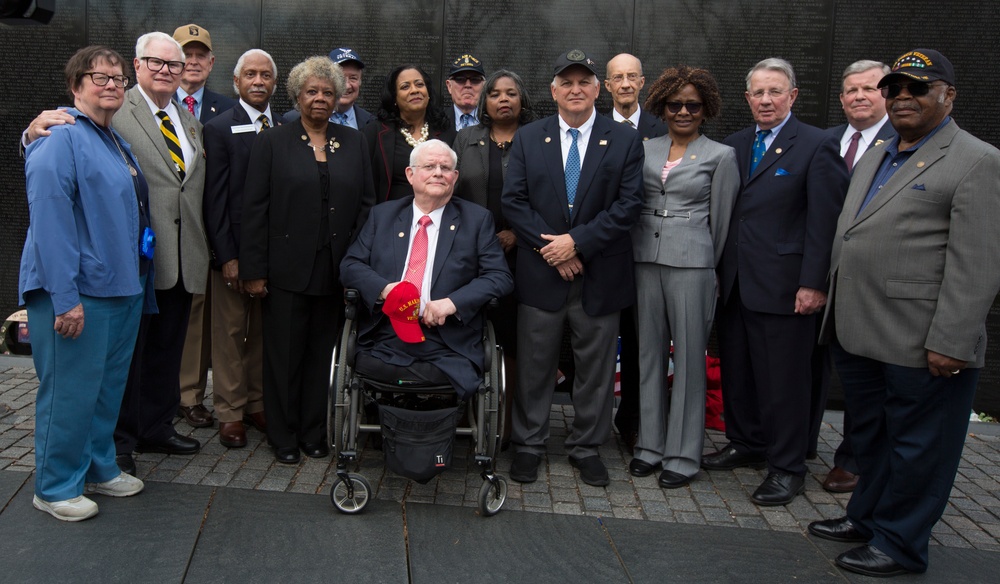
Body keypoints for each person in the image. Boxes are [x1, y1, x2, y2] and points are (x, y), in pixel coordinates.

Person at [808, 49, 1000, 578]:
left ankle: (901, 543)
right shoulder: (880, 152)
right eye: (895, 88)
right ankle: (868, 518)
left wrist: (953, 341)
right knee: (878, 437)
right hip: (862, 329)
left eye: (918, 88)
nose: (903, 97)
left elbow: (977, 263)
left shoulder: (977, 160)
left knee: (920, 448)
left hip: (922, 339)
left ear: (948, 95)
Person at [702, 58, 848, 506]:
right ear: (747, 99)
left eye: (775, 91)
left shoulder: (816, 144)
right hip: (737, 285)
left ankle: (787, 467)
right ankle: (747, 443)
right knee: (740, 373)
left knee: (784, 382)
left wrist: (814, 282)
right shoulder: (734, 144)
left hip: (788, 288)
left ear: (793, 96)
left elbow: (825, 221)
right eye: (758, 93)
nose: (766, 100)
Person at [20, 45, 155, 521]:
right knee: (70, 393)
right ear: (76, 86)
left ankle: (98, 466)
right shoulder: (60, 136)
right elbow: (51, 223)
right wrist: (65, 299)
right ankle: (55, 486)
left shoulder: (114, 139)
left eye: (119, 78)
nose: (113, 85)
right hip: (77, 294)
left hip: (122, 288)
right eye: (100, 77)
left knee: (104, 390)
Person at [502, 49, 643, 487]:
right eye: (567, 82)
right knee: (534, 365)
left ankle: (586, 447)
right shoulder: (529, 137)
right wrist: (554, 250)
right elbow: (514, 201)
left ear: (597, 89)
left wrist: (576, 244)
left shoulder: (623, 139)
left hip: (600, 274)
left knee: (596, 369)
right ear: (554, 91)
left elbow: (629, 206)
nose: (575, 89)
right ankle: (529, 444)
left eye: (584, 82)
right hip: (542, 274)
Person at [240, 56, 375, 464]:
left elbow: (368, 206)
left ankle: (314, 431)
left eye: (328, 92)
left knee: (322, 357)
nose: (320, 98)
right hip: (284, 271)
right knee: (283, 356)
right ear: (297, 96)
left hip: (335, 271)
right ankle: (283, 436)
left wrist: (357, 263)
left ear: (339, 99)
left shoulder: (354, 143)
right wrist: (254, 271)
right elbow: (254, 209)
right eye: (312, 91)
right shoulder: (273, 140)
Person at [628, 66, 738, 489]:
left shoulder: (719, 155)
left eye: (693, 104)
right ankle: (650, 447)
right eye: (675, 104)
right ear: (662, 106)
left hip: (692, 263)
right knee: (649, 354)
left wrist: (706, 264)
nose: (684, 111)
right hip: (645, 260)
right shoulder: (646, 148)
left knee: (690, 359)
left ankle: (682, 454)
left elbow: (723, 223)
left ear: (705, 108)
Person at [340, 139, 513, 395]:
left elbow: (500, 277)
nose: (438, 173)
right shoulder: (383, 215)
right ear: (410, 174)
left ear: (455, 177)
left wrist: (452, 303)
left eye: (445, 168)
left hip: (449, 338)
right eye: (429, 166)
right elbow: (350, 265)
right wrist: (387, 290)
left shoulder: (477, 220)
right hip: (386, 334)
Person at [812, 59, 896, 494]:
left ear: (887, 94)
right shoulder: (823, 141)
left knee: (866, 378)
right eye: (850, 90)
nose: (859, 96)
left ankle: (855, 458)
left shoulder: (902, 144)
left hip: (873, 281)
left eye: (869, 88)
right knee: (816, 367)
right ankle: (806, 443)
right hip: (816, 273)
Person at [452, 69, 537, 442]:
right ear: (484, 103)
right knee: (467, 337)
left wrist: (519, 235)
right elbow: (450, 194)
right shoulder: (465, 138)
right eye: (495, 94)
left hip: (526, 259)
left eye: (511, 93)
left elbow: (551, 198)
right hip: (471, 258)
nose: (503, 99)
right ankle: (463, 420)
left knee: (514, 342)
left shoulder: (539, 139)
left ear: (523, 100)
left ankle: (506, 429)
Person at [201, 49, 277, 448]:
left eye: (266, 75)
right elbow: (213, 199)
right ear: (236, 82)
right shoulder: (217, 128)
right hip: (232, 252)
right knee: (230, 333)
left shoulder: (285, 126)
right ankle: (230, 412)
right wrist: (226, 255)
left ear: (275, 84)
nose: (258, 81)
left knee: (262, 334)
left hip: (272, 254)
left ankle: (255, 402)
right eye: (250, 74)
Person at [172, 23, 236, 430]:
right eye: (185, 55)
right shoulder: (156, 104)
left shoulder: (226, 109)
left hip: (213, 230)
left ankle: (198, 396)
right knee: (180, 319)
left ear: (212, 63)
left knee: (208, 320)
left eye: (200, 55)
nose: (192, 62)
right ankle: (176, 395)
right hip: (169, 230)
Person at [603, 52, 666, 454]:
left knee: (641, 341)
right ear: (606, 86)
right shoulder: (589, 126)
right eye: (617, 78)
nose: (625, 84)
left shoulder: (664, 127)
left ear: (643, 82)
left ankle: (632, 421)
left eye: (632, 77)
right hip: (600, 252)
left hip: (645, 253)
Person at [365, 64, 456, 202]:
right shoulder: (374, 133)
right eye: (405, 87)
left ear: (428, 93)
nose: (414, 90)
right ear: (394, 97)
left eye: (419, 84)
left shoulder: (447, 133)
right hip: (389, 217)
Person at [282, 47, 375, 131]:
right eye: (341, 77)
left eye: (353, 78)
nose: (347, 86)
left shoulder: (371, 122)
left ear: (360, 82)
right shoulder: (291, 119)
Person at [444, 54, 486, 131]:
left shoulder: (493, 122)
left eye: (475, 79)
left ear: (484, 86)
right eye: (460, 79)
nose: (468, 85)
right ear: (449, 86)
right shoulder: (435, 122)